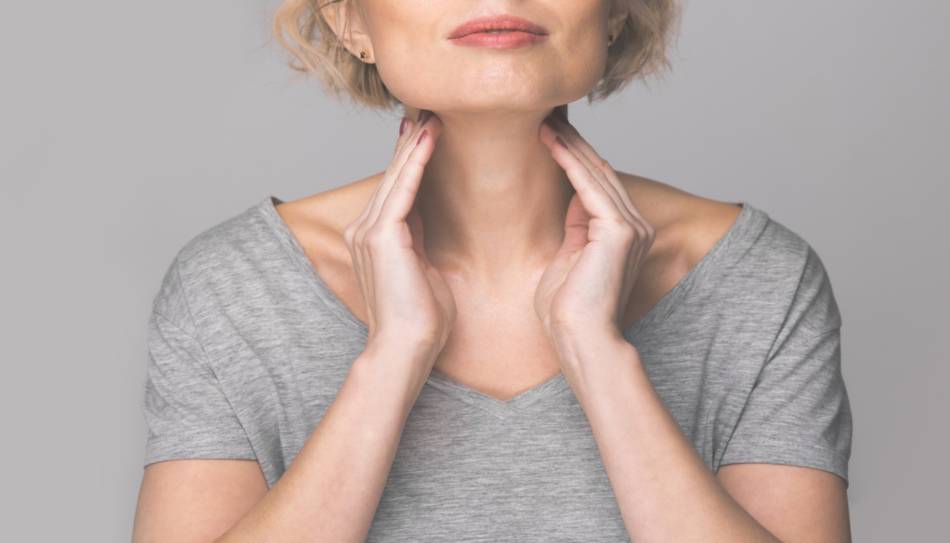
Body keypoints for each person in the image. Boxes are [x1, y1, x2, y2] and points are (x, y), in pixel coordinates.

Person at [133, 1, 853, 541]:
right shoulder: (231, 287)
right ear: (349, 18)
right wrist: (392, 357)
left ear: (615, 13)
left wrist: (597, 352)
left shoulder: (758, 279)